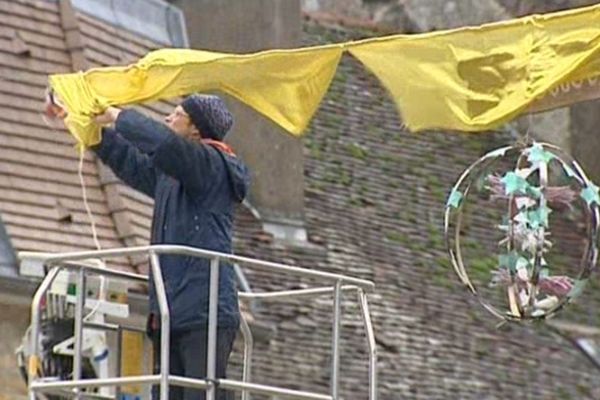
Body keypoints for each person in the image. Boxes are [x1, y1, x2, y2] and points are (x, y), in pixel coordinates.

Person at [49, 93, 250, 400]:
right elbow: (129, 160)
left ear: (196, 130)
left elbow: (163, 145)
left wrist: (118, 116)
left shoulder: (212, 165)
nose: (168, 118)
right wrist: (79, 121)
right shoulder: (176, 174)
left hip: (203, 309)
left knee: (202, 394)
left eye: (177, 114)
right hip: (173, 310)